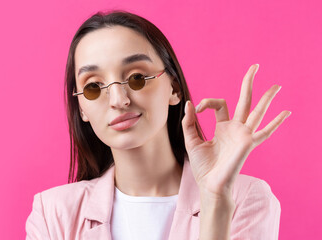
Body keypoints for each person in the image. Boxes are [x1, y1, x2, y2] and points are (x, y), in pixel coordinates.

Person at [25, 10, 290, 240]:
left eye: (137, 77)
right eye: (94, 87)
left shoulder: (246, 198)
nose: (119, 100)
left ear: (174, 88)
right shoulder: (53, 212)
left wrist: (215, 199)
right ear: (81, 108)